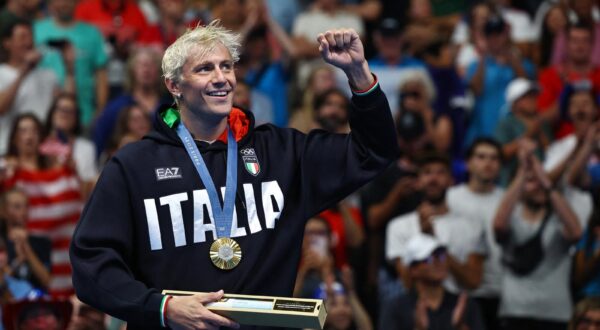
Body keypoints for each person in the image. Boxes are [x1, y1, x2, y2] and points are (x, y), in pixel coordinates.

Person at [70, 22, 398, 329]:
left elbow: (373, 151)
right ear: (174, 85)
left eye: (226, 66)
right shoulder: (133, 166)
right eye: (204, 69)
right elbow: (91, 264)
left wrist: (358, 73)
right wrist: (162, 308)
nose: (221, 78)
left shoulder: (283, 153)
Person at [493, 143, 587, 330]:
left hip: (555, 313)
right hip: (515, 312)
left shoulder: (558, 219)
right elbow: (499, 225)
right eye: (531, 182)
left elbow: (576, 232)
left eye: (539, 182)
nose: (537, 187)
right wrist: (523, 171)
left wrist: (546, 180)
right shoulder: (513, 218)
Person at [386, 153, 486, 294]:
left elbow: (473, 282)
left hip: (458, 309)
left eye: (440, 173)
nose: (433, 179)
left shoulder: (471, 227)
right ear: (418, 182)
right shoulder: (398, 226)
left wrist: (433, 240)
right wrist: (422, 238)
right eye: (427, 173)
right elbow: (407, 283)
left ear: (451, 181)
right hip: (414, 310)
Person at [447, 137, 505, 330]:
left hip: (500, 290)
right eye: (481, 157)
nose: (488, 163)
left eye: (494, 158)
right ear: (468, 163)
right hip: (459, 289)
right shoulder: (450, 198)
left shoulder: (507, 200)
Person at [378, 234, 485, 330]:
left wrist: (460, 328)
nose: (438, 262)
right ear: (413, 270)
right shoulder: (396, 309)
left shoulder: (466, 306)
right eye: (429, 259)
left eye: (441, 256)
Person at [33, 0, 109, 129]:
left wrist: (101, 111)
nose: (64, 4)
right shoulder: (36, 31)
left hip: (83, 115)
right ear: (50, 3)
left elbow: (101, 74)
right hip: (43, 114)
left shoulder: (91, 33)